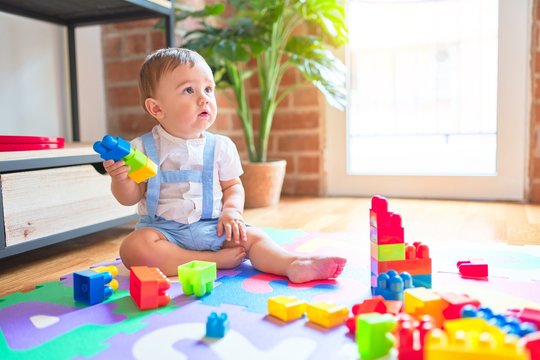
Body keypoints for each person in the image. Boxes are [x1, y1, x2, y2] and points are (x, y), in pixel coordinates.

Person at [103, 47, 347, 283]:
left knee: (252, 237)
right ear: (156, 108)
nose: (204, 99)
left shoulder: (221, 146)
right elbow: (131, 197)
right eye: (189, 90)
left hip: (213, 227)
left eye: (208, 89)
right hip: (165, 233)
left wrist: (232, 212)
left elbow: (233, 186)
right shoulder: (141, 149)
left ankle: (292, 263)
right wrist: (121, 179)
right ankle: (212, 261)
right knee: (133, 248)